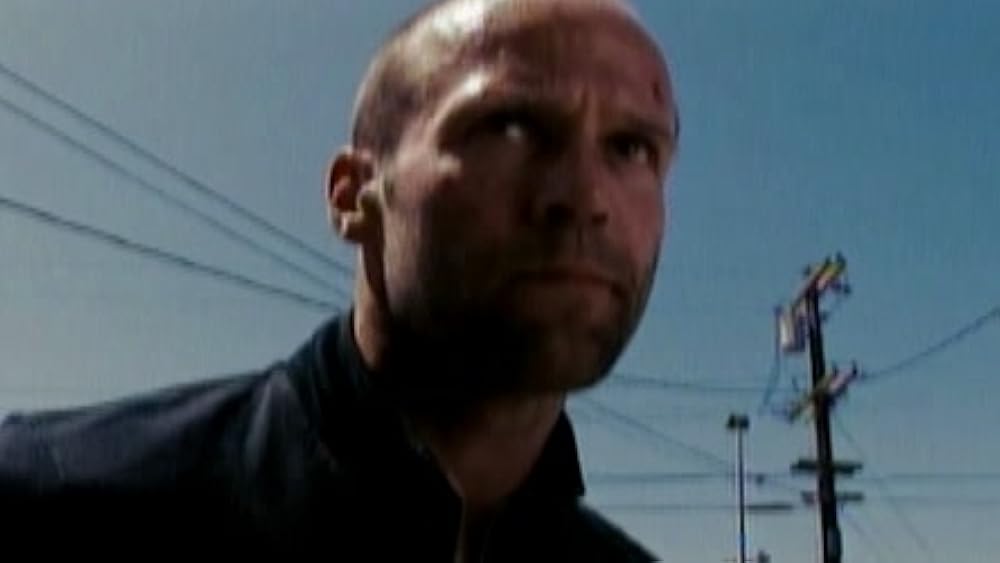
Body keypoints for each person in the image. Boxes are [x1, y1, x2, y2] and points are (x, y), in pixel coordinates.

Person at [0, 0, 679, 559]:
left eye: (631, 147)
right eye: (509, 127)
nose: (585, 196)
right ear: (354, 195)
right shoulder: (55, 504)